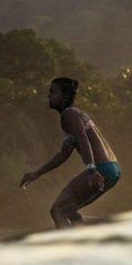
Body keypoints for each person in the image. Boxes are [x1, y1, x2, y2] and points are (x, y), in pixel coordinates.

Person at [20, 77, 121, 228]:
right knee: (69, 210)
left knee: (57, 210)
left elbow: (82, 139)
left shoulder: (69, 115)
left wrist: (91, 170)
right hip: (112, 169)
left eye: (53, 92)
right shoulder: (72, 115)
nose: (49, 96)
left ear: (64, 97)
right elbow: (63, 154)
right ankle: (85, 239)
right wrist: (36, 174)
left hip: (100, 169)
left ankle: (71, 249)